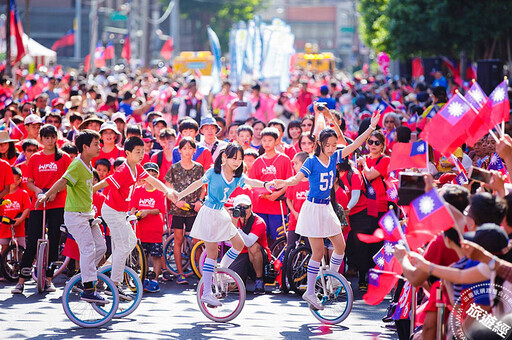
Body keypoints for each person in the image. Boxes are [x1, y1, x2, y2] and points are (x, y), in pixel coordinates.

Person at [274, 108, 380, 310]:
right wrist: (282, 182)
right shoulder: (312, 161)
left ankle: (331, 280)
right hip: (313, 208)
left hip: (327, 208)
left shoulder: (335, 157)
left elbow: (356, 144)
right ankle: (311, 291)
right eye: (328, 145)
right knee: (318, 252)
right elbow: (296, 179)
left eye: (334, 145)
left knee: (340, 246)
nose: (331, 148)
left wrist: (372, 126)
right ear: (319, 144)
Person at [173, 142, 274, 307]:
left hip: (221, 213)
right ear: (225, 157)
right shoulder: (214, 171)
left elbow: (251, 181)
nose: (237, 161)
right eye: (234, 158)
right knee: (212, 254)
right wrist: (180, 195)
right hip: (209, 213)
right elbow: (197, 184)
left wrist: (265, 185)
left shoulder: (237, 177)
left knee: (239, 244)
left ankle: (220, 270)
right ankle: (206, 292)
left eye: (240, 159)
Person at [93, 136, 177, 300]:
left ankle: (103, 270)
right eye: (137, 152)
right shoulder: (123, 170)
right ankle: (114, 285)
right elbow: (104, 184)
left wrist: (168, 192)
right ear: (127, 153)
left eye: (143, 151)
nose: (141, 154)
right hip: (111, 211)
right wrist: (86, 193)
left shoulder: (137, 168)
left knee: (130, 243)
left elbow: (153, 180)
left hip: (121, 213)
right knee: (123, 248)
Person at [34, 130, 110, 303]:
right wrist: (46, 195)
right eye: (96, 144)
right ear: (85, 147)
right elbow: (62, 181)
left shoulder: (89, 164)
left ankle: (81, 277)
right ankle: (89, 289)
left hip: (88, 214)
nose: (99, 147)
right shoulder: (77, 164)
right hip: (76, 216)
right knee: (88, 248)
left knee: (101, 248)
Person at [13, 124, 72, 294]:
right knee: (32, 241)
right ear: (41, 139)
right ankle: (21, 281)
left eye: (52, 137)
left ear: (56, 138)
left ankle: (48, 280)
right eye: (46, 137)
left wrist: (54, 192)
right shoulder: (35, 158)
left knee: (53, 240)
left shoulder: (64, 157)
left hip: (57, 203)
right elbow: (29, 182)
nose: (49, 140)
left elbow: (67, 179)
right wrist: (40, 192)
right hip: (38, 204)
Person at [165, 137, 205, 285]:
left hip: (193, 209)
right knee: (178, 239)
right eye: (184, 148)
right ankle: (180, 273)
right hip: (177, 210)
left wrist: (200, 201)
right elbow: (167, 188)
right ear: (179, 150)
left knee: (197, 241)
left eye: (190, 148)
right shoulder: (174, 168)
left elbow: (203, 188)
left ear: (194, 150)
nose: (187, 151)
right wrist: (176, 202)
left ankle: (200, 271)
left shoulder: (199, 168)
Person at [249, 127, 293, 242]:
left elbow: (290, 182)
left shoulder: (285, 159)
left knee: (278, 238)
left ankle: (279, 260)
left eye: (270, 140)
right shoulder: (258, 161)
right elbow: (252, 183)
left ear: (276, 141)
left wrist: (277, 194)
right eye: (264, 140)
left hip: (278, 206)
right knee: (261, 238)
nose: (267, 143)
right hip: (260, 205)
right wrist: (264, 194)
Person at [129, 162, 166, 292]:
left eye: (154, 174)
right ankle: (143, 278)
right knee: (142, 256)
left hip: (155, 230)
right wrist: (133, 212)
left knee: (156, 256)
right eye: (148, 174)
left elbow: (160, 209)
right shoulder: (138, 190)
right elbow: (133, 206)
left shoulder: (160, 191)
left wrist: (147, 211)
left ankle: (155, 281)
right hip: (141, 231)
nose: (150, 177)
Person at [229, 194, 271, 294]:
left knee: (253, 247)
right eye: (240, 208)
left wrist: (236, 228)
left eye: (246, 207)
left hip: (258, 256)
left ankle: (259, 279)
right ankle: (241, 280)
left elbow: (249, 242)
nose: (243, 210)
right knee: (230, 287)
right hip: (241, 254)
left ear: (251, 207)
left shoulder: (259, 222)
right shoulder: (233, 220)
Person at [357, 131, 390, 219]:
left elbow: (370, 175)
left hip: (379, 205)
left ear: (382, 145)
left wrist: (363, 164)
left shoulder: (385, 159)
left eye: (377, 143)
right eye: (370, 142)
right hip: (363, 205)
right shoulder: (364, 159)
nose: (373, 145)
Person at [0, 167, 30, 255]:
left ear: (20, 180)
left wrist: (21, 219)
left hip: (19, 227)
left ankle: (19, 266)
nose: (14, 182)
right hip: (4, 227)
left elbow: (27, 208)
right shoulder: (2, 194)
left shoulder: (23, 193)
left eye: (17, 179)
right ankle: (3, 266)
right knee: (4, 248)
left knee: (19, 248)